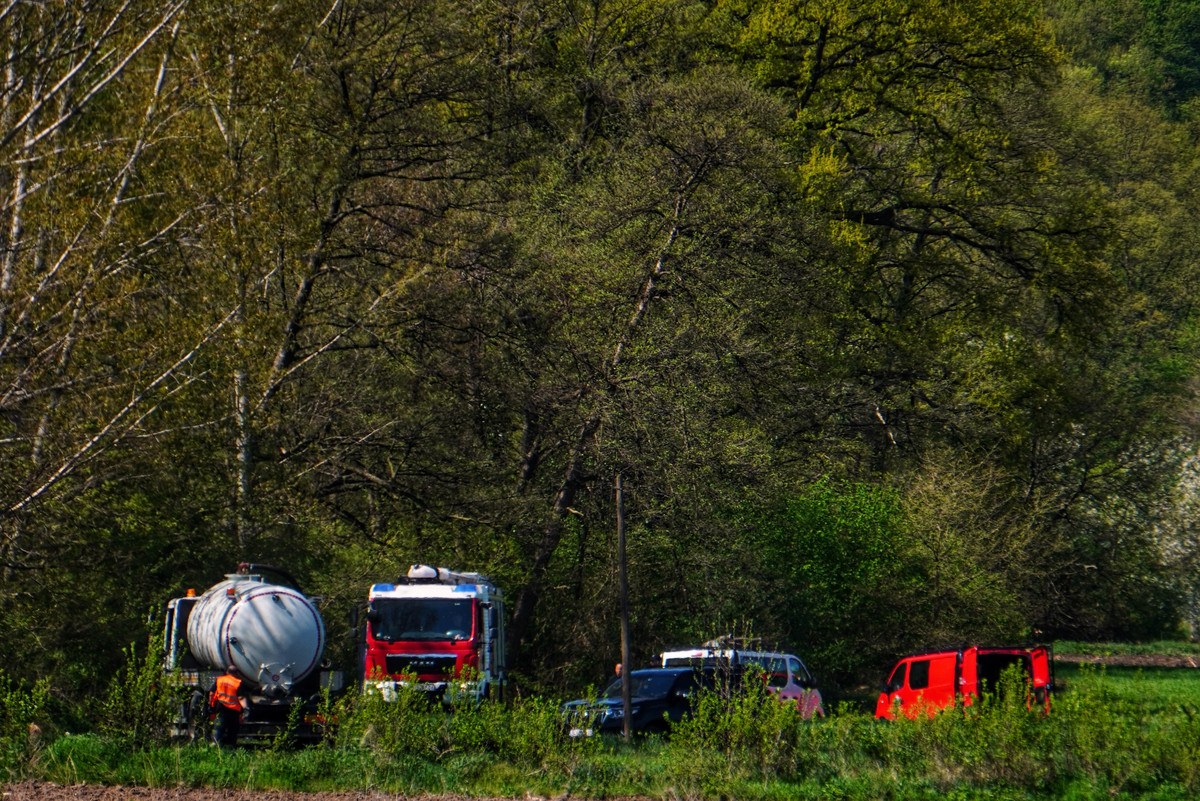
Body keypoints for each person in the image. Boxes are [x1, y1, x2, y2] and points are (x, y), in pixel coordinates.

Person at [210, 665, 250, 747]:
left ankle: (216, 744)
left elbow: (211, 693)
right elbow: (241, 698)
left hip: (221, 707)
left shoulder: (219, 679)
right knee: (232, 729)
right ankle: (230, 746)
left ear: (227, 672)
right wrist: (246, 708)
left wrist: (211, 704)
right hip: (233, 710)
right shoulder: (238, 683)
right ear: (236, 673)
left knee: (219, 727)